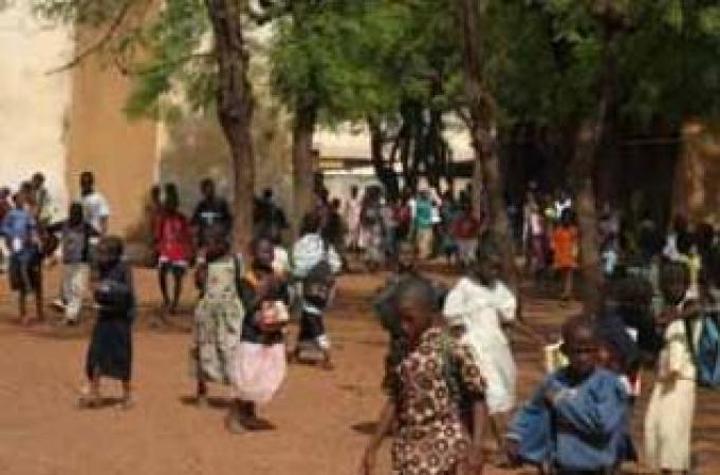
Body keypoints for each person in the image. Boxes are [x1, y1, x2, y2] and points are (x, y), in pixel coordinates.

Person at [360, 276, 487, 475]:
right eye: (400, 319)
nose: (404, 326)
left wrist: (477, 446)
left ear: (430, 313)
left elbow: (478, 397)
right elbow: (395, 400)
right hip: (409, 451)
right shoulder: (402, 353)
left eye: (410, 319)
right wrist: (372, 447)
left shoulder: (451, 349)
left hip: (445, 448)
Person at [443, 235, 544, 461]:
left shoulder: (498, 289)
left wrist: (534, 336)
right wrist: (459, 351)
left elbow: (509, 319)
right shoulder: (463, 289)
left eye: (498, 268)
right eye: (490, 266)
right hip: (476, 350)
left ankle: (502, 445)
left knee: (505, 395)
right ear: (478, 263)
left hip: (498, 349)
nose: (494, 272)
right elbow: (454, 324)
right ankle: (503, 449)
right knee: (493, 394)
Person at [507, 316, 635, 475]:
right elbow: (532, 409)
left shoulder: (608, 385)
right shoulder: (555, 381)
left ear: (598, 350)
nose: (583, 358)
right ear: (564, 351)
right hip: (560, 466)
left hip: (596, 468)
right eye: (577, 352)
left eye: (588, 351)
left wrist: (562, 402)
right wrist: (516, 435)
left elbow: (600, 423)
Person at [226, 237, 290, 433]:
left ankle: (249, 413)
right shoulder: (247, 280)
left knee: (264, 375)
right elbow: (247, 305)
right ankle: (235, 414)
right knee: (247, 377)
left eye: (270, 251)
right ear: (253, 254)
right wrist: (263, 290)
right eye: (263, 251)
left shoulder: (277, 276)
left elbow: (285, 300)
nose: (268, 255)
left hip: (272, 333)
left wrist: (280, 287)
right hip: (252, 335)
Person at [644, 262, 701, 475]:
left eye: (678, 283)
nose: (673, 288)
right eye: (668, 283)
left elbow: (699, 308)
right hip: (663, 377)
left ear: (686, 284)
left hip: (683, 377)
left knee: (672, 432)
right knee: (653, 427)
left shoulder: (689, 306)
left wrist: (674, 317)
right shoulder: (663, 308)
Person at [78, 236, 136, 409]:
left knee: (122, 357)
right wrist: (97, 287)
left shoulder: (124, 268)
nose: (100, 257)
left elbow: (127, 292)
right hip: (104, 317)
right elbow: (93, 286)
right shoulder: (99, 268)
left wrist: (108, 287)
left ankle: (127, 395)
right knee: (96, 355)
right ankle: (94, 391)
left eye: (104, 253)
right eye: (99, 253)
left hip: (120, 319)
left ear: (114, 254)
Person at [191, 226, 245, 405]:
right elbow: (199, 284)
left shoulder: (235, 260)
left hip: (230, 312)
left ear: (224, 243)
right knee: (203, 349)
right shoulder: (205, 262)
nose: (210, 247)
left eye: (215, 243)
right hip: (207, 312)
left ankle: (236, 392)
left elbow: (240, 285)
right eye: (207, 243)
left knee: (231, 350)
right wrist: (202, 263)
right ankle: (202, 391)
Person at [290, 213, 342, 369]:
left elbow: (298, 269)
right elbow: (337, 265)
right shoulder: (325, 244)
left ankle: (326, 352)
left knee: (313, 318)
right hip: (325, 288)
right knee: (308, 317)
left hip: (307, 287)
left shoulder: (300, 244)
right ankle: (297, 350)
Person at [47, 203, 98, 325]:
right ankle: (71, 313)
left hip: (81, 262)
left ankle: (71, 316)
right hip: (68, 261)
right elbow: (49, 229)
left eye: (77, 214)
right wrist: (52, 244)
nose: (74, 216)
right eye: (73, 213)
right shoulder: (64, 224)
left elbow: (96, 235)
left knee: (77, 288)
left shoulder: (86, 226)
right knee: (68, 288)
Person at [2, 192, 43, 325]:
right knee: (20, 284)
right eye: (19, 199)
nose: (22, 201)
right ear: (15, 201)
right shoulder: (11, 215)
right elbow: (4, 228)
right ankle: (24, 314)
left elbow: (33, 229)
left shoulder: (28, 215)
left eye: (23, 199)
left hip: (29, 250)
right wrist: (14, 236)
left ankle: (39, 311)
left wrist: (33, 238)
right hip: (18, 251)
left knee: (36, 280)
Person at [154, 191, 193, 315]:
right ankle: (166, 298)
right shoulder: (162, 219)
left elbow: (187, 236)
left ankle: (175, 303)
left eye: (172, 204)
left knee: (178, 277)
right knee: (161, 273)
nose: (170, 207)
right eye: (168, 204)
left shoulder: (182, 219)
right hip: (166, 249)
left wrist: (188, 253)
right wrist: (158, 249)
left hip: (179, 251)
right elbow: (158, 235)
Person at [191, 178, 233, 252]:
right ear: (203, 191)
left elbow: (228, 221)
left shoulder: (221, 203)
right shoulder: (201, 206)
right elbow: (194, 222)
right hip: (205, 240)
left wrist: (222, 232)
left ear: (213, 189)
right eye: (206, 189)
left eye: (210, 188)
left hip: (219, 239)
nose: (208, 191)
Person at [552, 209, 579, 302]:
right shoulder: (558, 230)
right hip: (560, 255)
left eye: (568, 218)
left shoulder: (573, 230)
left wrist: (574, 254)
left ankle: (567, 293)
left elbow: (575, 243)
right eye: (565, 218)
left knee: (569, 275)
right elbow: (554, 243)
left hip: (569, 255)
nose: (567, 220)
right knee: (562, 275)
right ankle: (563, 291)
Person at [79, 171, 110, 238]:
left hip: (95, 235)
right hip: (81, 236)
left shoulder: (99, 198)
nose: (86, 185)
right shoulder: (78, 199)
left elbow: (104, 219)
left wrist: (103, 236)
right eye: (83, 183)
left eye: (88, 182)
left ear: (92, 183)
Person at [414, 190, 434, 260]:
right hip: (427, 225)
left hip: (421, 224)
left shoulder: (418, 204)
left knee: (422, 240)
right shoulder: (429, 203)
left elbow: (416, 215)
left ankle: (423, 254)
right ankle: (425, 254)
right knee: (426, 240)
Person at [344, 185, 363, 252]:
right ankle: (350, 245)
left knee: (357, 233)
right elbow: (346, 210)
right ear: (351, 192)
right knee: (350, 232)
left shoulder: (359, 201)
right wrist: (345, 218)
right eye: (353, 191)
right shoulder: (349, 200)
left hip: (357, 218)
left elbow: (361, 210)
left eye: (355, 191)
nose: (354, 192)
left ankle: (356, 245)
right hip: (350, 218)